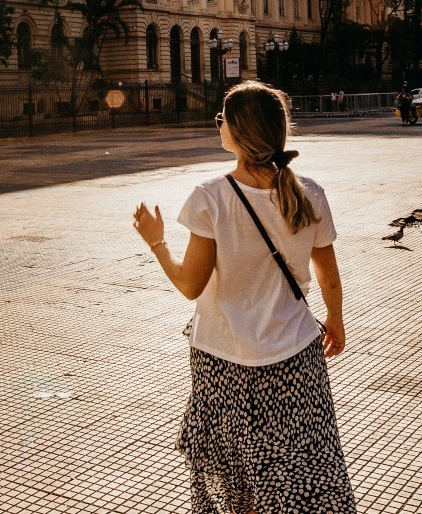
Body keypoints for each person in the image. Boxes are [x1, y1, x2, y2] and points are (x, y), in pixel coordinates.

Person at [132, 81, 356, 513]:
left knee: (234, 471)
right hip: (295, 353)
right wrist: (336, 320)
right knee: (297, 465)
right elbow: (328, 277)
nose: (218, 125)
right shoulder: (309, 193)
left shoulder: (210, 198)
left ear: (237, 131)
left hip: (223, 358)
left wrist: (156, 242)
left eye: (222, 119)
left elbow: (190, 285)